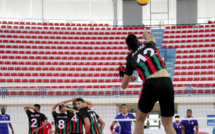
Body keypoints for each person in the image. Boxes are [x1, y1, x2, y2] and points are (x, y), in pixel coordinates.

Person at [121, 31, 175, 134]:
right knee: (168, 123)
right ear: (139, 41)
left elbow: (123, 86)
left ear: (128, 49)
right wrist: (145, 35)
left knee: (140, 120)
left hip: (151, 83)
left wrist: (130, 78)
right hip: (166, 81)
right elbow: (151, 38)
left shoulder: (130, 58)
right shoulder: (150, 44)